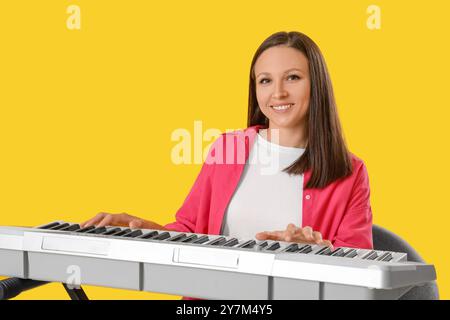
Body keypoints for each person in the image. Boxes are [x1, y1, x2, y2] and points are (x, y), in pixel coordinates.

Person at [81, 31, 373, 251]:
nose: (278, 93)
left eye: (293, 77)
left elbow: (363, 272)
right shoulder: (227, 149)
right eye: (265, 80)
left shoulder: (350, 172)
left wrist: (321, 253)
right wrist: (144, 230)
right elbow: (191, 233)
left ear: (317, 85)